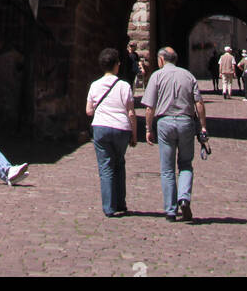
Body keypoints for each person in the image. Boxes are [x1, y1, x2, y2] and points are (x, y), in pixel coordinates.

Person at [142, 45, 208, 222]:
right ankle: (184, 198)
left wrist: (148, 129)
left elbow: (149, 107)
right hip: (186, 121)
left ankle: (171, 210)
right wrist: (203, 127)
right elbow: (199, 104)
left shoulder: (157, 76)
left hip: (165, 123)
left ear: (161, 60)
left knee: (167, 169)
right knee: (186, 164)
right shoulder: (188, 75)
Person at [86, 47, 138, 217]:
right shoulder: (124, 86)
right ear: (117, 65)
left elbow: (89, 111)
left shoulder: (94, 85)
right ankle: (121, 203)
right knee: (119, 164)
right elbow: (131, 112)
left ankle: (109, 207)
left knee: (105, 167)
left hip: (101, 127)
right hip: (121, 128)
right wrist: (134, 134)